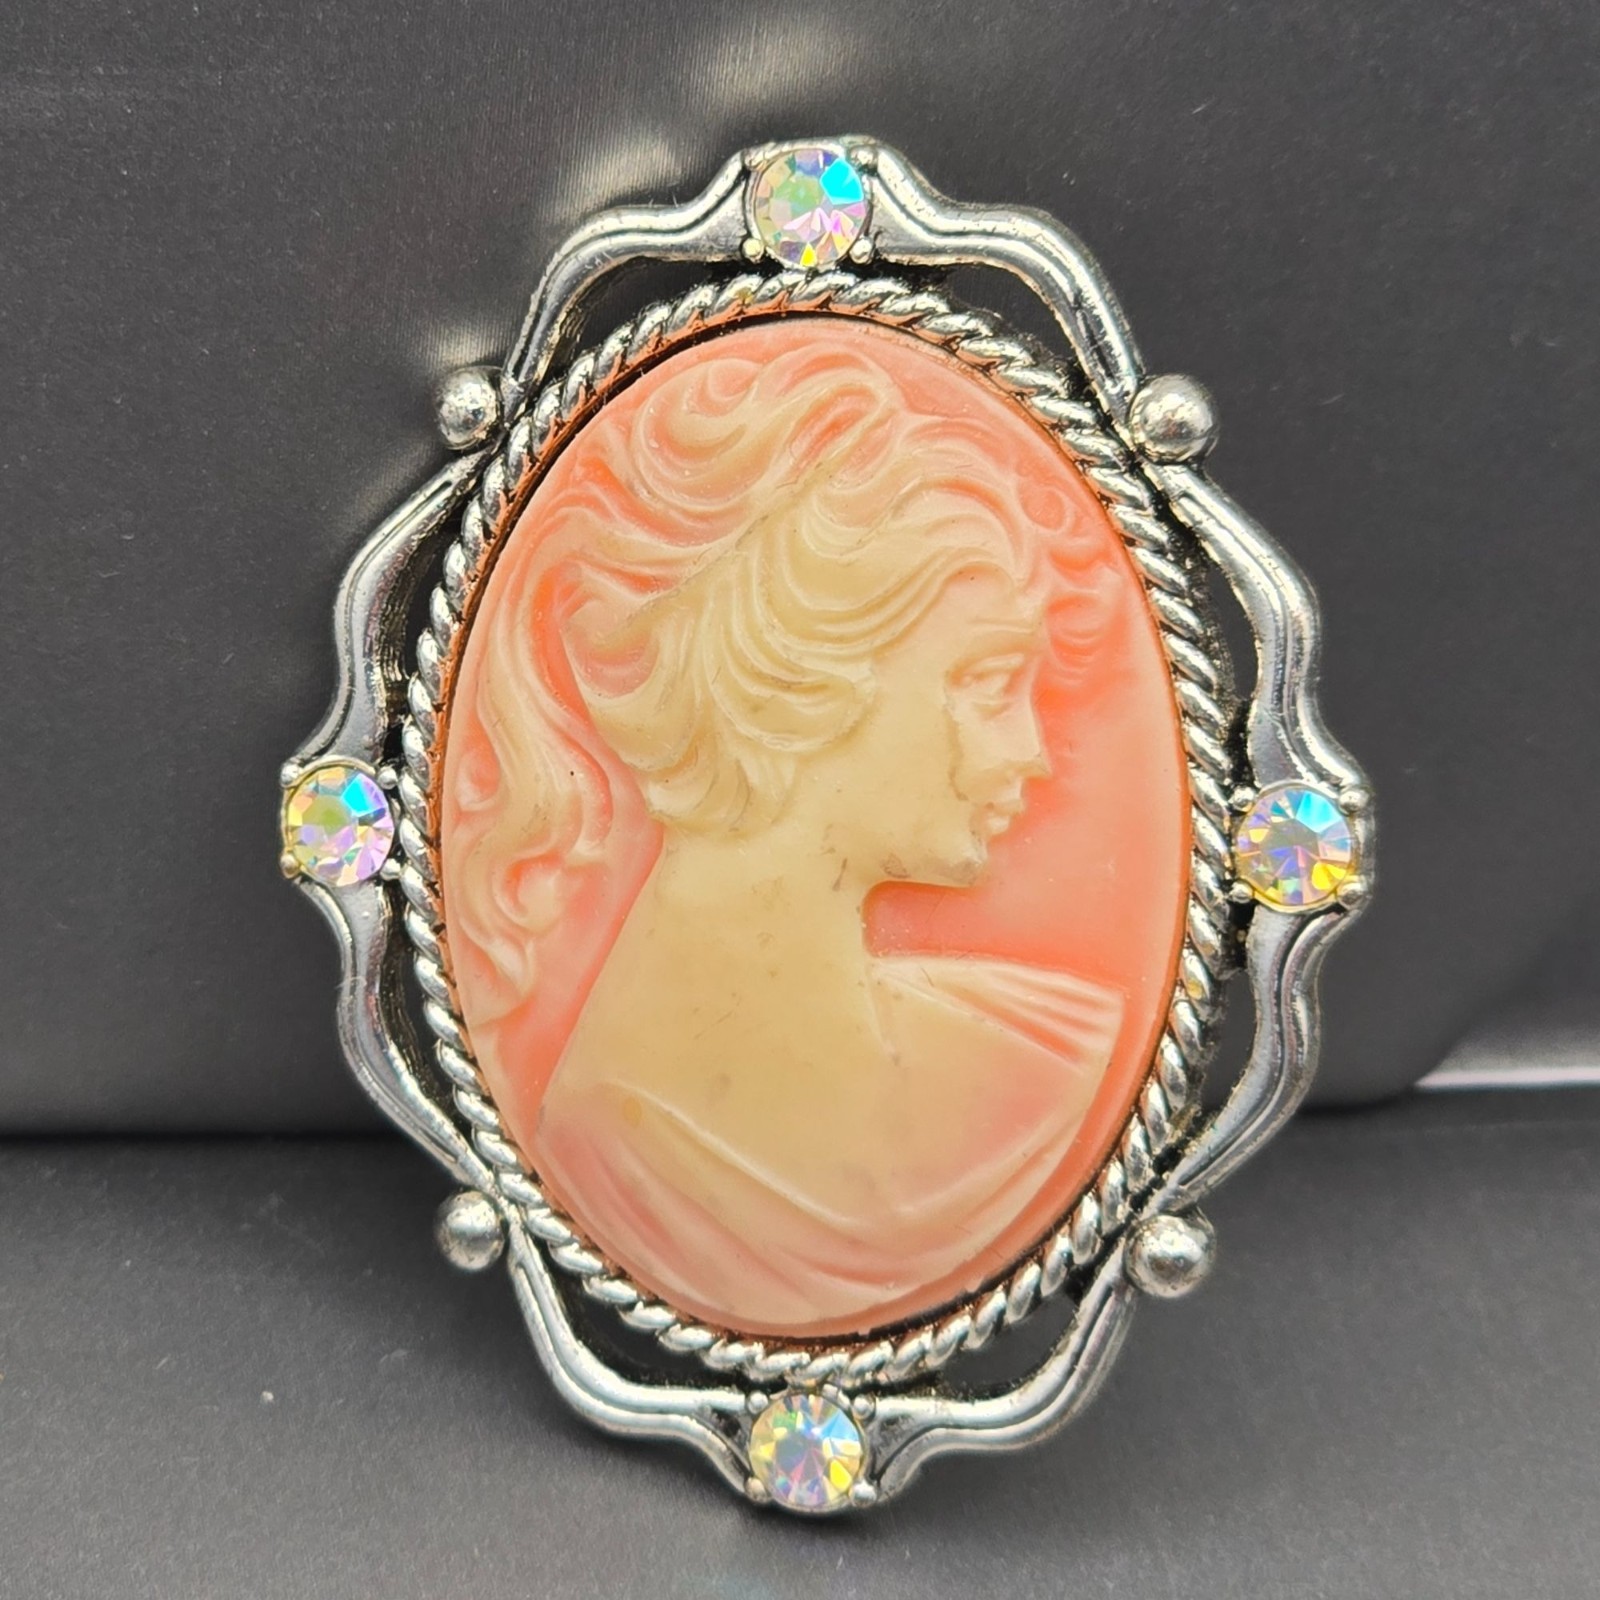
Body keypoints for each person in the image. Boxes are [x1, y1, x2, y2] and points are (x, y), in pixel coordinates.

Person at [441, 322, 1127, 1338]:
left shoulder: (1039, 1051)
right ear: (790, 684)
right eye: (985, 682)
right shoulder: (618, 1144)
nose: (1030, 750)